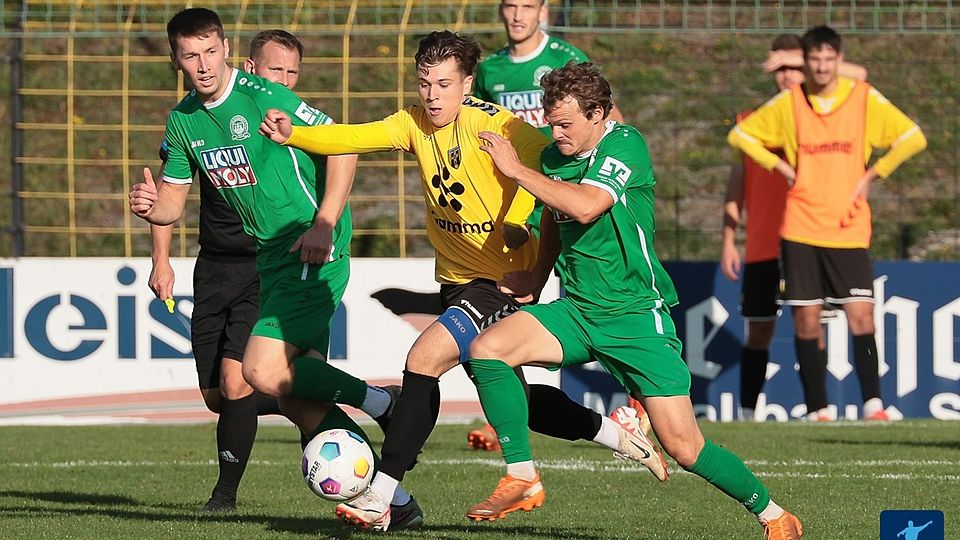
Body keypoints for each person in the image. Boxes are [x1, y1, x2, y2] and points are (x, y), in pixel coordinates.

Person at [259, 30, 665, 531]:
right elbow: (352, 135)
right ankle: (617, 435)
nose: (432, 95)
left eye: (444, 84)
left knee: (422, 359)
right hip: (456, 280)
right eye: (425, 83)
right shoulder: (413, 124)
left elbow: (552, 166)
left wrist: (521, 218)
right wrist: (294, 133)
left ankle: (381, 495)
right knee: (512, 400)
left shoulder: (497, 125)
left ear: (468, 83)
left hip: (500, 281)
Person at [472, 61, 804, 539]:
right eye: (550, 120)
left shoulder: (626, 144)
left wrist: (515, 169)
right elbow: (553, 222)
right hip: (578, 310)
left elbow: (586, 205)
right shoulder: (552, 157)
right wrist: (536, 280)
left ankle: (773, 514)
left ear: (599, 114)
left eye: (565, 123)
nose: (555, 131)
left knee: (685, 448)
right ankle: (522, 476)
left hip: (634, 318)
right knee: (487, 350)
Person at [128, 8, 422, 527]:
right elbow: (173, 203)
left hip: (311, 245)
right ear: (176, 60)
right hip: (272, 258)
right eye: (190, 56)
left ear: (225, 48)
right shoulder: (183, 121)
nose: (203, 65)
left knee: (259, 371)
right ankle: (393, 504)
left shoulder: (263, 96)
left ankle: (384, 404)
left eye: (210, 52)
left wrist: (326, 222)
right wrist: (153, 207)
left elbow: (345, 147)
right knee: (297, 399)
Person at [147, 28, 314, 513]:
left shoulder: (284, 121)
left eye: (292, 72)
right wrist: (161, 259)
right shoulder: (192, 121)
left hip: (269, 264)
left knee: (238, 380)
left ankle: (224, 497)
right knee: (218, 396)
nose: (284, 80)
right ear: (249, 64)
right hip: (214, 266)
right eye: (275, 69)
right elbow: (170, 191)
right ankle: (319, 395)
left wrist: (321, 227)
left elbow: (331, 161)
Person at [728, 26, 927, 422]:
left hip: (848, 227)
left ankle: (874, 403)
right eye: (813, 59)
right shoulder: (790, 104)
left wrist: (873, 174)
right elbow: (740, 137)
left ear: (838, 59)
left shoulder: (862, 98)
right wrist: (781, 165)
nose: (820, 67)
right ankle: (817, 408)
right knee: (805, 318)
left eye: (826, 58)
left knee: (861, 315)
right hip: (799, 227)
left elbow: (912, 137)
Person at [472, 0, 646, 447]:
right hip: (523, 199)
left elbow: (609, 130)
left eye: (526, 5)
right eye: (509, 5)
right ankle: (508, 411)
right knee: (515, 306)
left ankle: (640, 403)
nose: (517, 15)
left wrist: (600, 181)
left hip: (569, 192)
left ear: (542, 11)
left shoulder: (563, 61)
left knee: (609, 292)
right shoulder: (491, 70)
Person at [721, 34, 868, 421]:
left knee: (811, 322)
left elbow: (861, 76)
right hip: (763, 243)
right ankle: (748, 414)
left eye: (795, 68)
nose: (788, 76)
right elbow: (737, 182)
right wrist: (728, 238)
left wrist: (798, 57)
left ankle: (817, 409)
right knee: (760, 330)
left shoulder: (816, 114)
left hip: (811, 236)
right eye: (782, 68)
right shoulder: (752, 121)